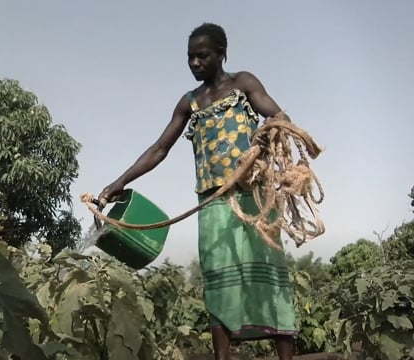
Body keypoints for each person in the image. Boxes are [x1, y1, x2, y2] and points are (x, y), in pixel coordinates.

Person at [98, 23, 298, 360]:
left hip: (254, 196)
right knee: (218, 276)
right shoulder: (189, 102)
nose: (194, 63)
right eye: (190, 57)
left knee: (268, 271)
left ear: (222, 54)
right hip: (212, 203)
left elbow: (278, 116)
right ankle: (223, 356)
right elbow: (159, 149)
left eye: (202, 56)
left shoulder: (243, 84)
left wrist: (269, 130)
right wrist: (120, 182)